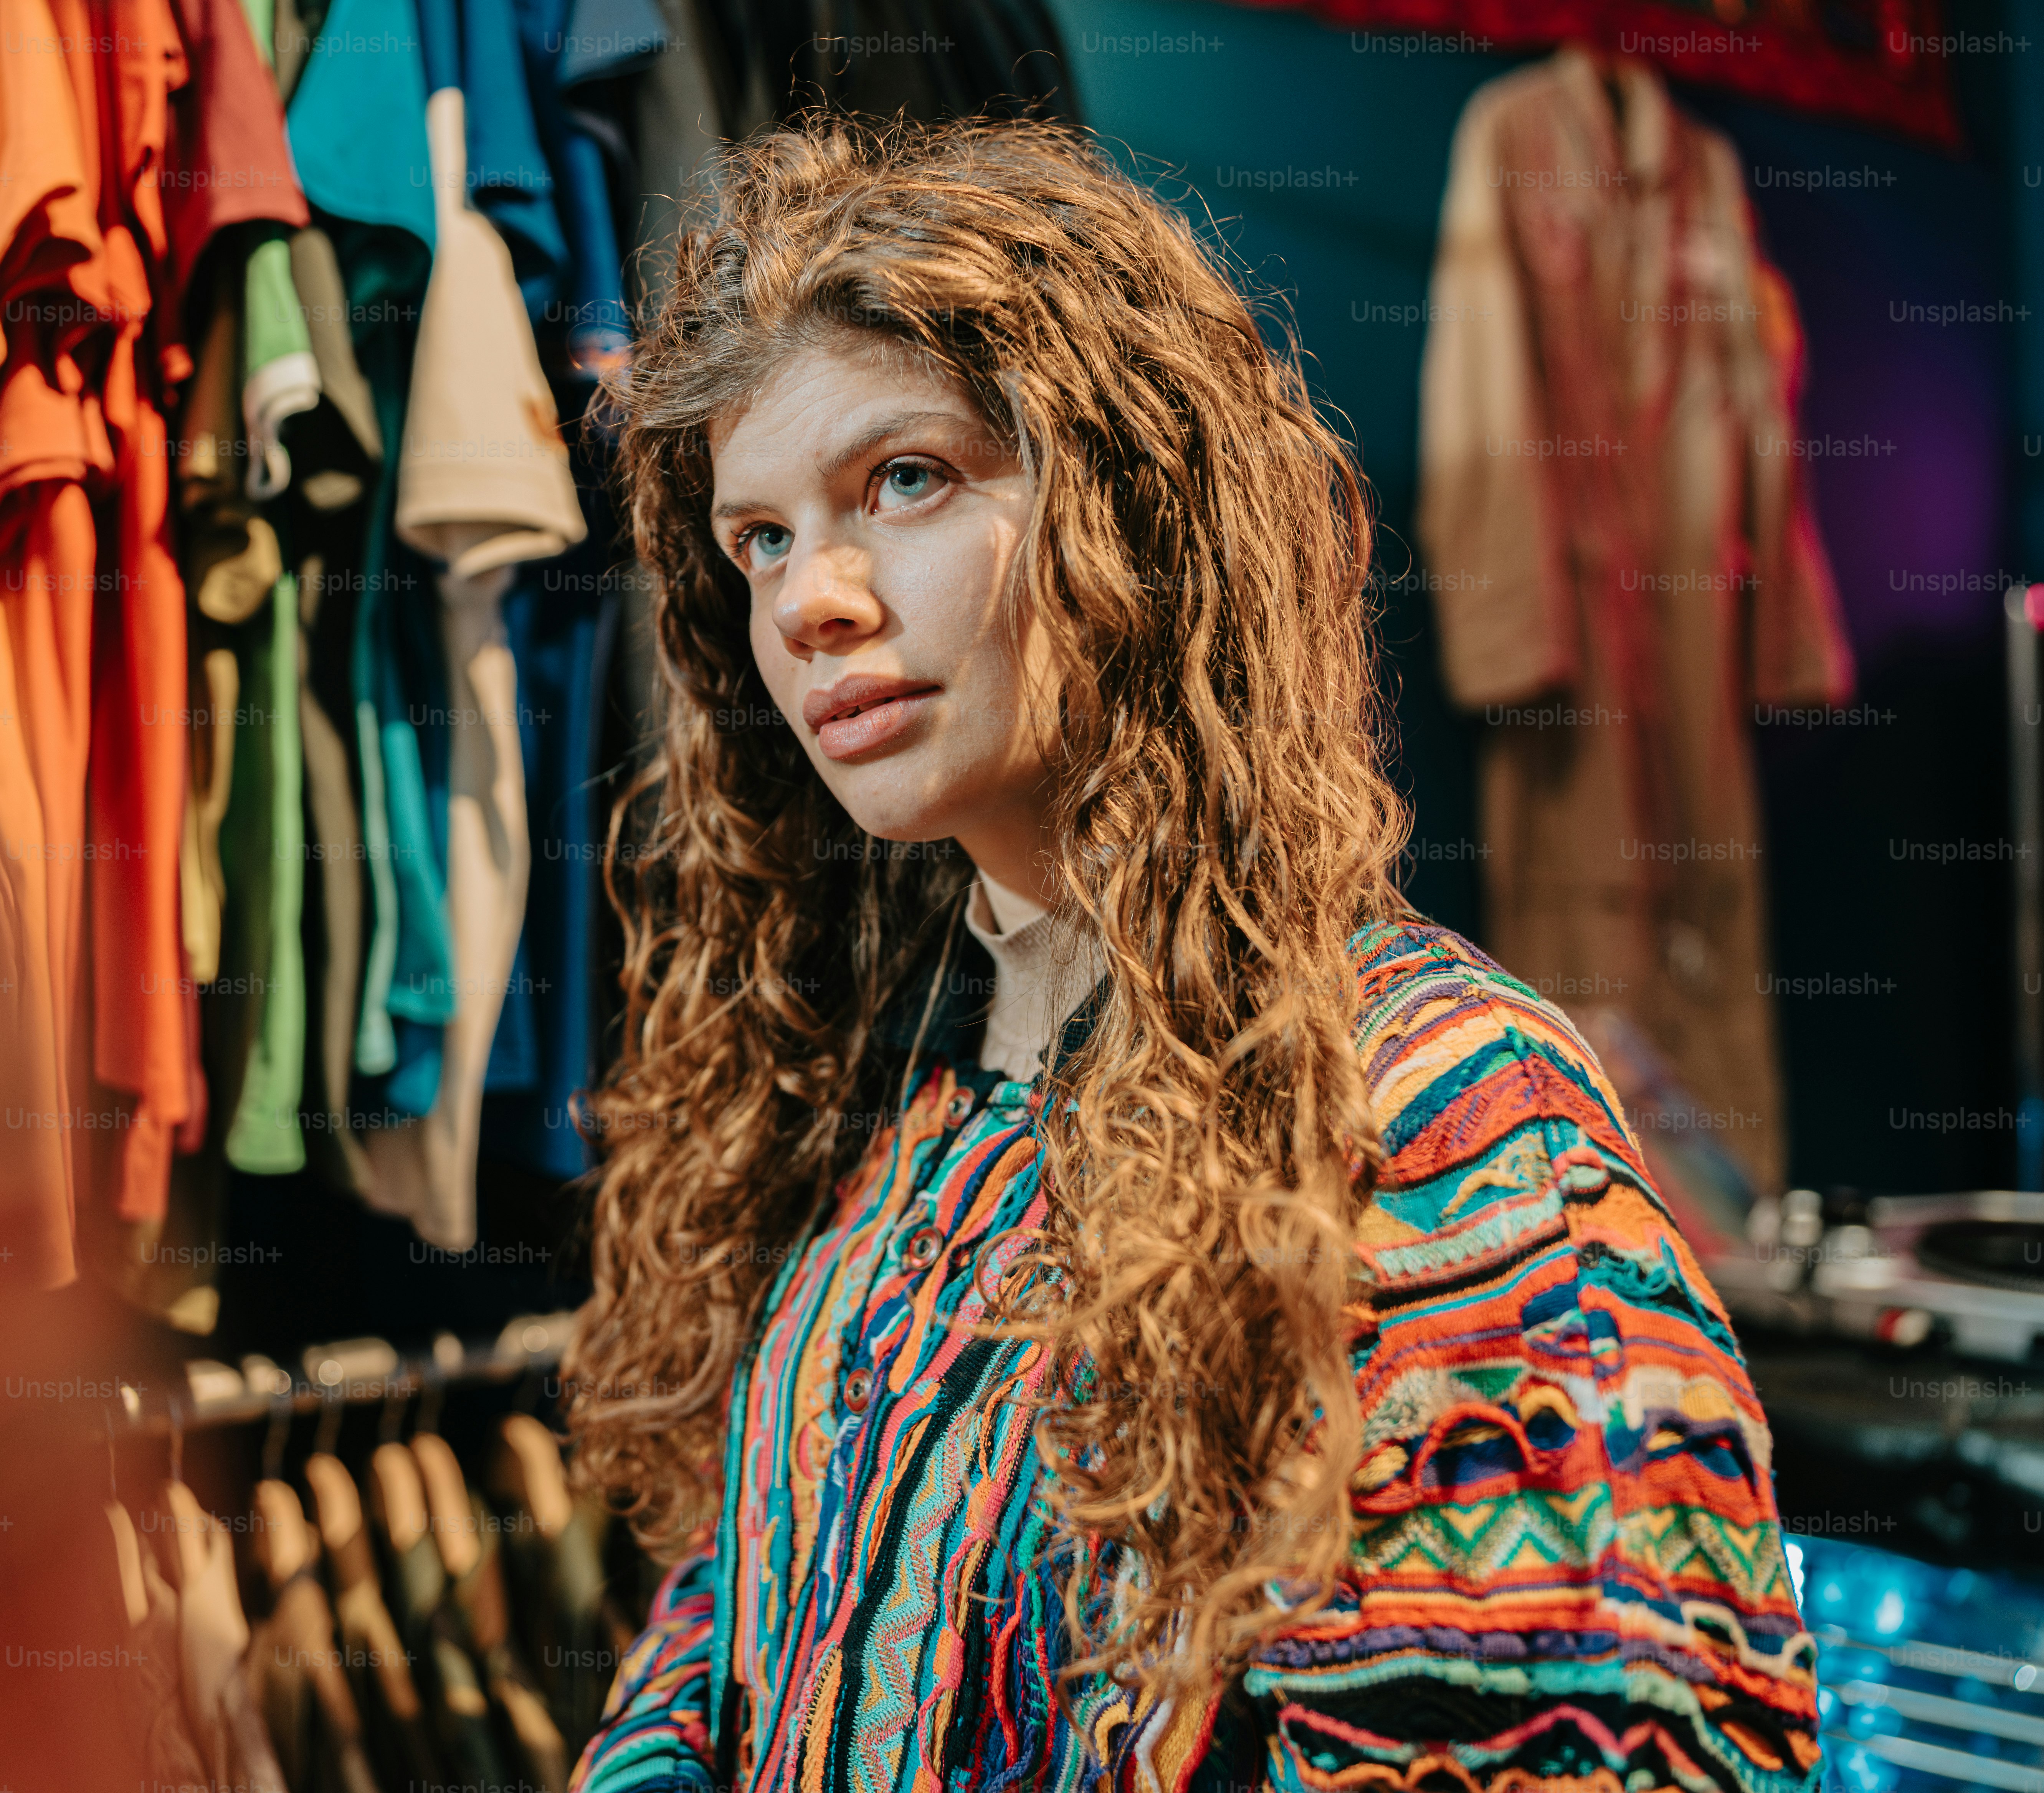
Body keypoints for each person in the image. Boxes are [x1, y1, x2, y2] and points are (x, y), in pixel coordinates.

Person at [559, 117, 1818, 1793]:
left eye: (907, 479)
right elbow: (730, 1623)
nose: (813, 603)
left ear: (1132, 503)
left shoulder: (1441, 1110)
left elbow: (1580, 1731)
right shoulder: (895, 1102)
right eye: (762, 538)